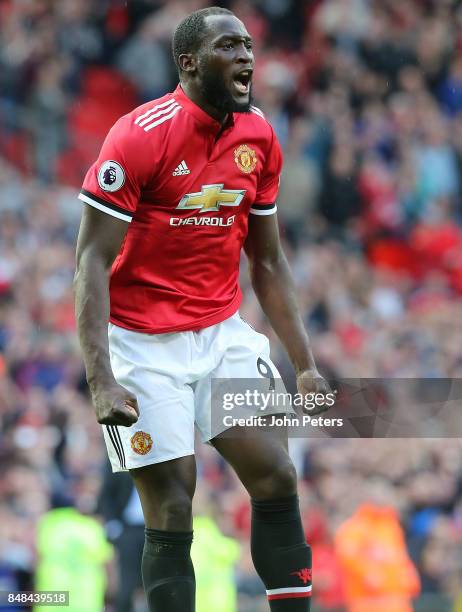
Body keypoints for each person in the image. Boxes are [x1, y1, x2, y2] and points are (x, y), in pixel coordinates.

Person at [74, 6, 329, 611]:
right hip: (141, 342)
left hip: (220, 333)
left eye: (248, 44)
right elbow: (89, 263)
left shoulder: (259, 136)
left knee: (276, 476)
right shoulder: (137, 136)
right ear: (188, 63)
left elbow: (267, 261)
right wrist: (101, 379)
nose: (246, 56)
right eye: (228, 46)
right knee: (172, 503)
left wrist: (307, 363)